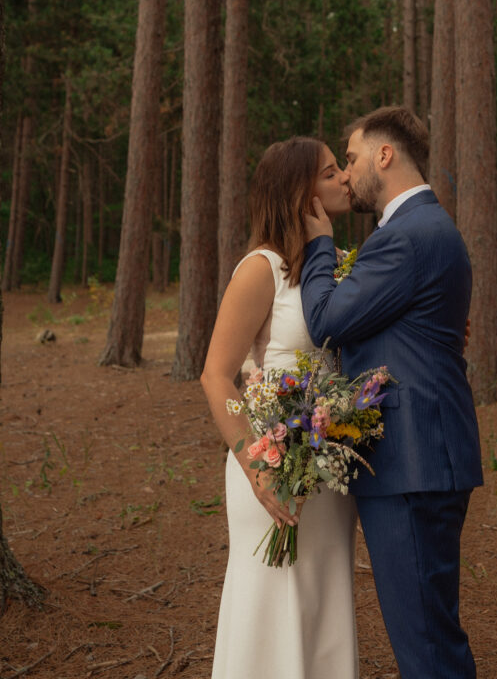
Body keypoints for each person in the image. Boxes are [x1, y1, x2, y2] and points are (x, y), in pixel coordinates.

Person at [300, 105, 483, 679]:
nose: (346, 173)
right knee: (430, 632)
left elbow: (326, 319)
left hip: (413, 461)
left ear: (385, 155)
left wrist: (320, 244)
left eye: (350, 158)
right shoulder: (424, 228)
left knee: (426, 646)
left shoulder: (407, 235)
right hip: (425, 457)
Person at [201, 137, 359, 679]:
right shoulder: (260, 268)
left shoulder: (338, 266)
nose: (344, 179)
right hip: (269, 465)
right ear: (300, 191)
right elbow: (217, 375)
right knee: (268, 597)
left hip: (329, 467)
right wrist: (253, 463)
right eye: (331, 172)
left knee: (324, 594)